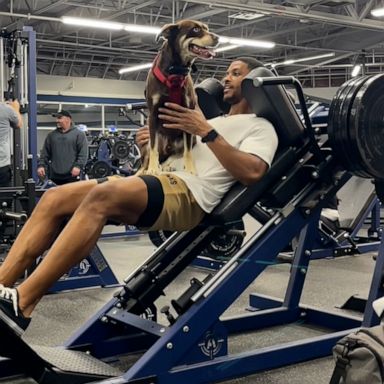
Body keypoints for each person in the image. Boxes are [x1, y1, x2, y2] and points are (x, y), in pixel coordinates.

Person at [0, 57, 278, 336]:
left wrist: (205, 131)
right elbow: (167, 164)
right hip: (163, 180)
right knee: (54, 198)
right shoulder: (212, 121)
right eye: (227, 72)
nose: (226, 78)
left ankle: (23, 304)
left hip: (191, 196)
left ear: (256, 81)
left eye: (236, 73)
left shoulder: (259, 126)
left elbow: (252, 172)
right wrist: (147, 148)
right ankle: (2, 285)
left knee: (103, 195)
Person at [37, 110, 88, 185]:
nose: (57, 120)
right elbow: (45, 153)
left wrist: (78, 166)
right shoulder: (51, 135)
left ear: (68, 119)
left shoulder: (79, 134)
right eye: (57, 118)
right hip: (54, 176)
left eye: (60, 118)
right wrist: (41, 165)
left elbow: (83, 153)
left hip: (72, 175)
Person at [0, 99, 22, 187]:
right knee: (3, 198)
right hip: (2, 164)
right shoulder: (5, 109)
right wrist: (16, 108)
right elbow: (19, 124)